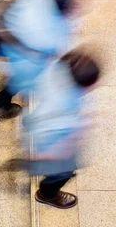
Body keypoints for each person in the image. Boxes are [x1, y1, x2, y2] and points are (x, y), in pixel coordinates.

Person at [0, 0, 76, 117]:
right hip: (23, 55)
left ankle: (2, 98)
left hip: (10, 36)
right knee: (19, 81)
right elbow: (48, 54)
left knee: (18, 78)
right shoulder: (47, 32)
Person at [22, 51, 99, 209]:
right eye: (93, 83)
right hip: (49, 143)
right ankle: (46, 194)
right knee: (62, 173)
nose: (96, 86)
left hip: (39, 120)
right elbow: (58, 143)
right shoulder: (63, 110)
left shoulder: (56, 68)